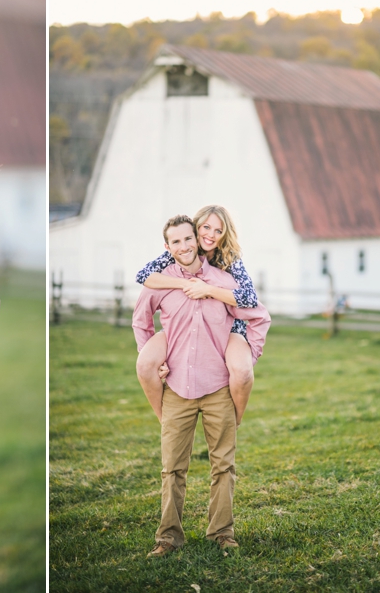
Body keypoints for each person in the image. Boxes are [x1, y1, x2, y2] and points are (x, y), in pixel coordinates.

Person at [132, 215, 270, 556]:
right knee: (172, 468)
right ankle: (167, 538)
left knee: (223, 465)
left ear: (198, 240)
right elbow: (141, 320)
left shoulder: (224, 282)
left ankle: (222, 533)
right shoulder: (160, 285)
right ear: (168, 247)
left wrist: (248, 357)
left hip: (218, 388)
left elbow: (259, 317)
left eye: (188, 239)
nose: (184, 246)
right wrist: (152, 356)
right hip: (176, 389)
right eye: (175, 242)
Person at [135, 205, 257, 425]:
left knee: (241, 371)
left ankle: (235, 420)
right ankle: (165, 419)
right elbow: (144, 275)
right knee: (146, 364)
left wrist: (209, 290)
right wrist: (184, 284)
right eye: (206, 227)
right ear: (196, 227)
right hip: (187, 320)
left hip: (227, 325)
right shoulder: (185, 249)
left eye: (218, 231)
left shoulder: (229, 258)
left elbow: (250, 298)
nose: (210, 235)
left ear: (224, 234)